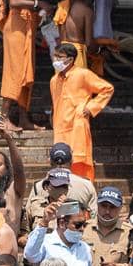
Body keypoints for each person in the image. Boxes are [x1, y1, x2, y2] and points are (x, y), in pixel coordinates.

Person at [48, 43, 113, 182]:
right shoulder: (54, 80)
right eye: (55, 56)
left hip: (77, 124)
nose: (56, 59)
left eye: (60, 57)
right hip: (60, 126)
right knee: (59, 160)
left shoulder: (83, 74)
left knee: (80, 161)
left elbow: (107, 89)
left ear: (70, 59)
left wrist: (91, 107)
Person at [0, 0, 41, 129]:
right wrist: (37, 3)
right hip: (16, 28)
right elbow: (14, 1)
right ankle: (3, 118)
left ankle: (23, 118)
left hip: (25, 26)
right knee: (14, 72)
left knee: (26, 71)